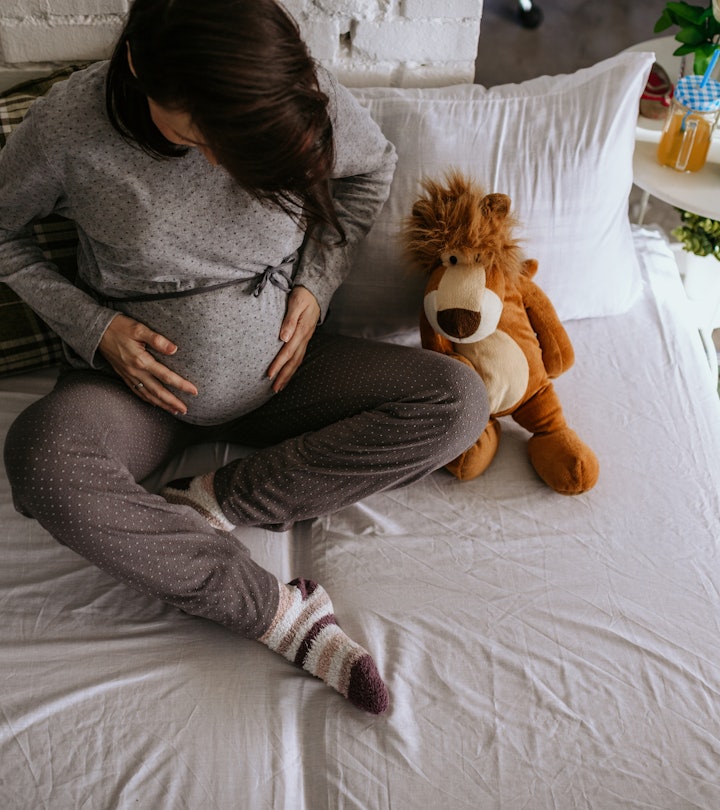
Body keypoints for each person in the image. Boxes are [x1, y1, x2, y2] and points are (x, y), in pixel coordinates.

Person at [0, 0, 488, 714]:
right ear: (138, 66)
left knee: (459, 402)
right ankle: (277, 615)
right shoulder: (71, 127)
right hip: (136, 397)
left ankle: (214, 500)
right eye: (201, 134)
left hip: (288, 375)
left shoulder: (292, 92)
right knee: (40, 460)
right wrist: (95, 326)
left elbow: (370, 167)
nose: (224, 158)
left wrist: (317, 285)